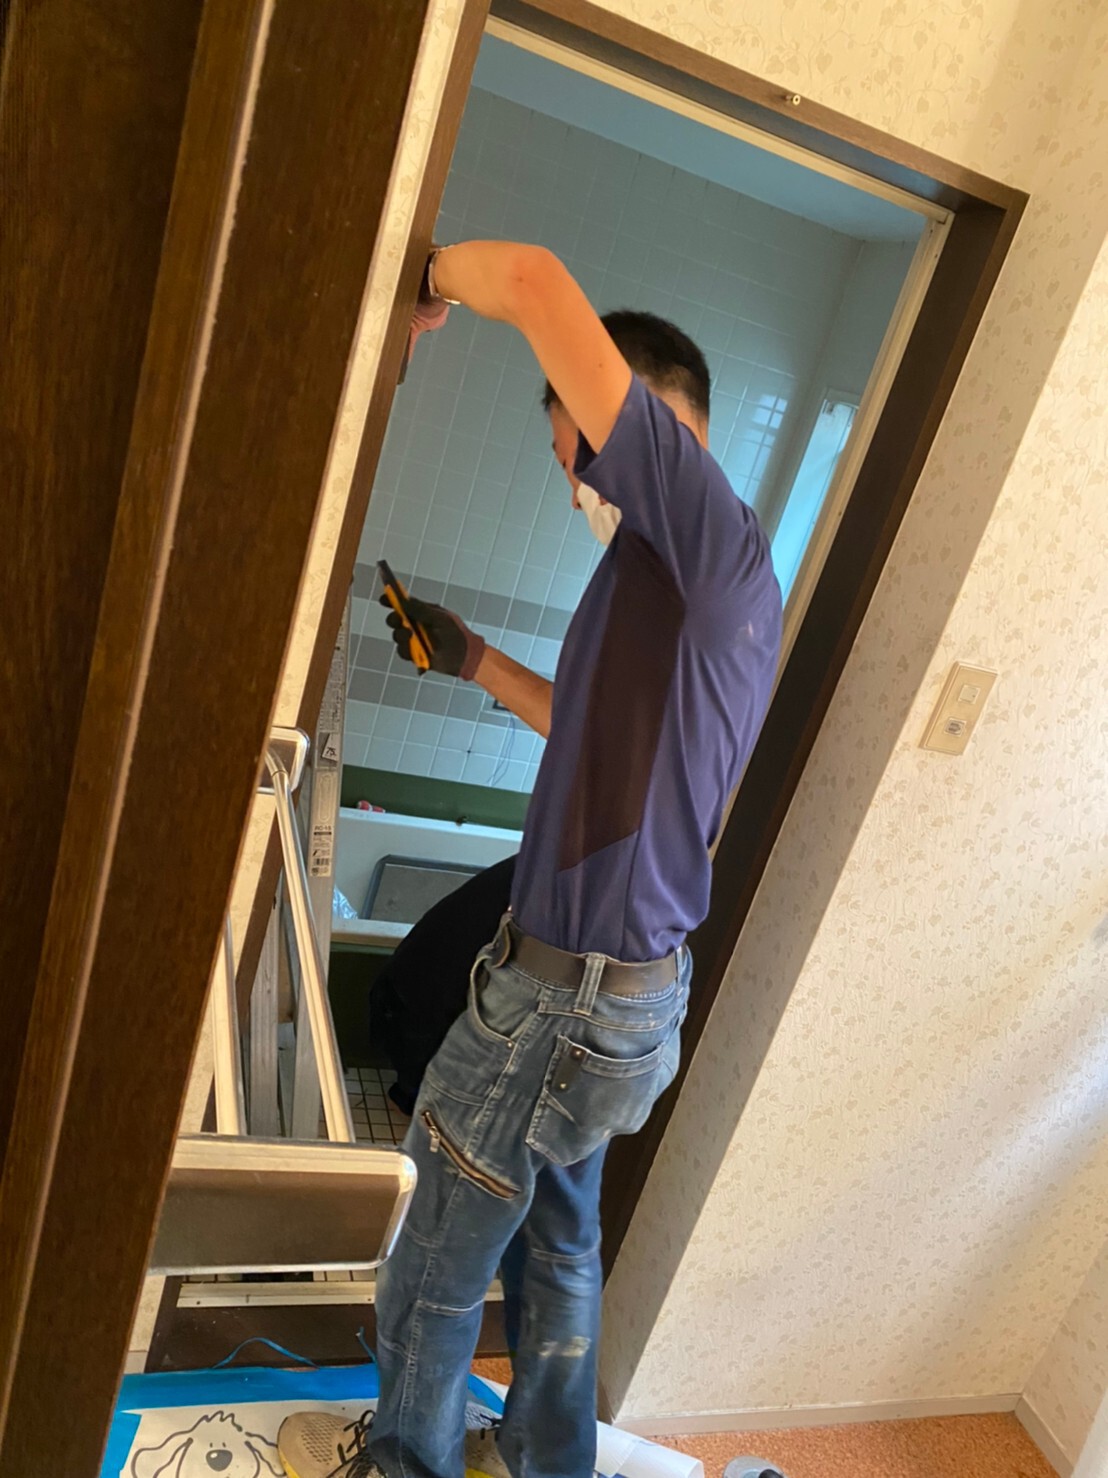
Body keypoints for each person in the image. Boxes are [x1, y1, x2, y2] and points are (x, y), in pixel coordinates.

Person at [276, 242, 783, 1478]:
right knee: (557, 1235)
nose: (573, 487)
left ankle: (403, 1463)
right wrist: (471, 658)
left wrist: (417, 278)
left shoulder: (701, 533)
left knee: (436, 1258)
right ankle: (545, 1458)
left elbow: (541, 285)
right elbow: (583, 725)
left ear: (645, 421)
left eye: (576, 456)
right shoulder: (678, 581)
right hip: (625, 997)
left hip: (561, 999)